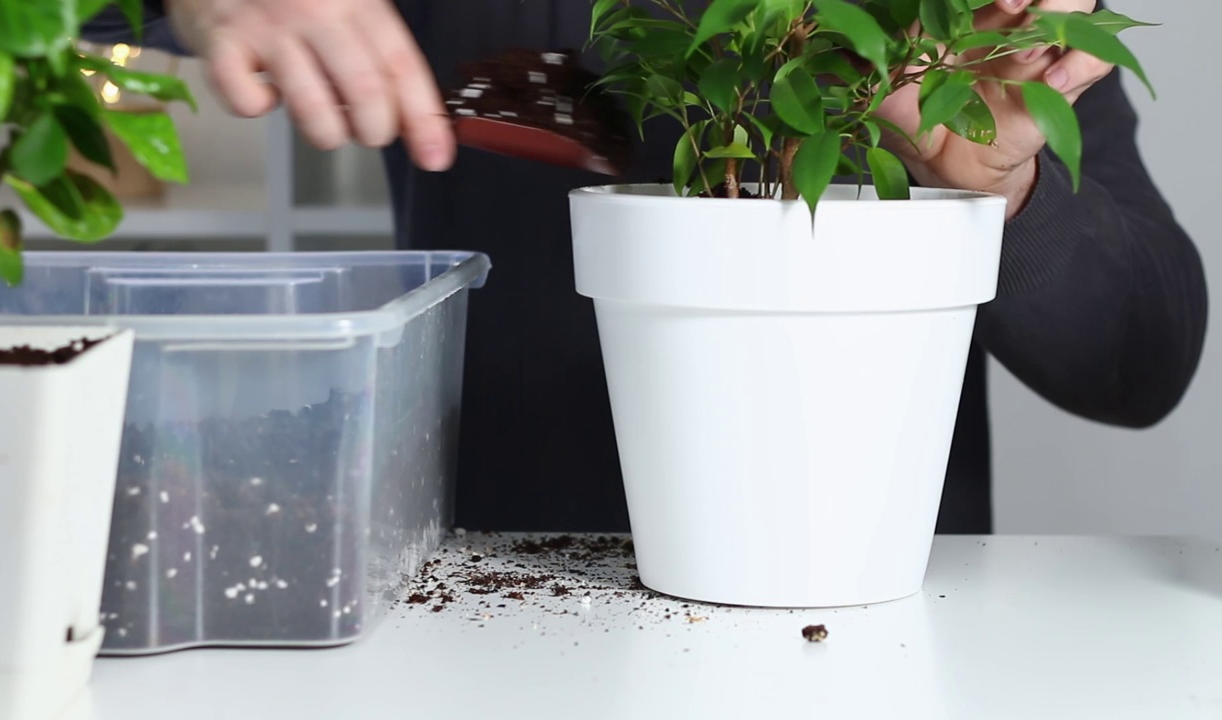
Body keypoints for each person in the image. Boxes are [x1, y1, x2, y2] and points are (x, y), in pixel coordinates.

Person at [86, 0, 1208, 534]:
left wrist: (997, 189)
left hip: (869, 604)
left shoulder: (960, 21)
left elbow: (1138, 358)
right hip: (484, 599)